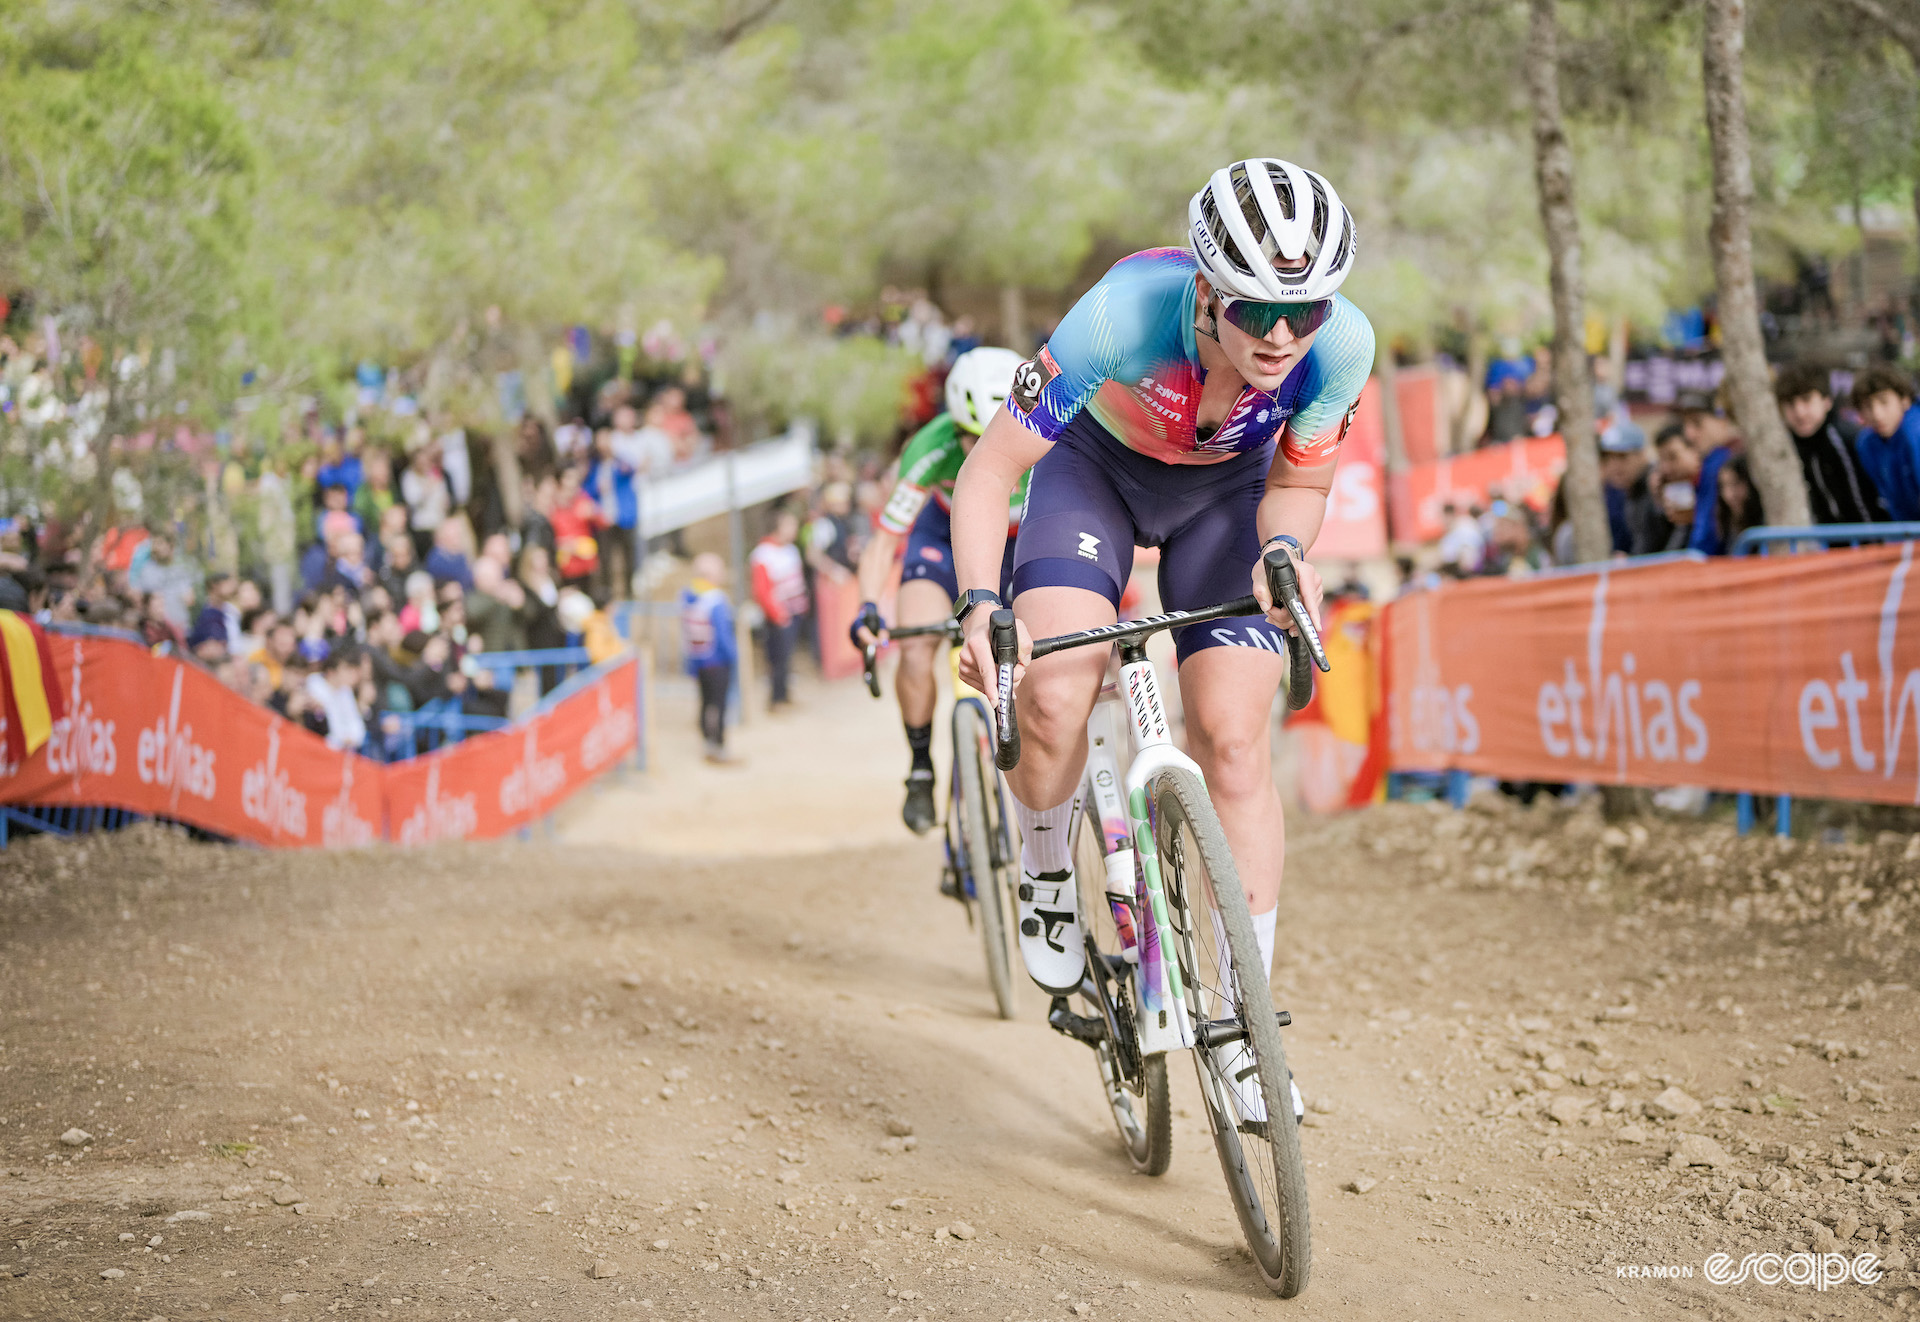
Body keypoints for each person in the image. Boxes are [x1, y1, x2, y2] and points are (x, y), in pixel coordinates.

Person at [951, 158, 1371, 1125]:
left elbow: (1302, 485)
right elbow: (987, 475)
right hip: (1094, 478)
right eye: (1256, 310)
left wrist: (1281, 551)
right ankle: (1048, 861)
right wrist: (980, 603)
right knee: (1053, 694)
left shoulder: (1341, 345)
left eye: (1302, 311)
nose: (1279, 336)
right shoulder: (1119, 317)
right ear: (1206, 289)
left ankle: (1244, 1028)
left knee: (1231, 734)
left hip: (1228, 498)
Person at [850, 346, 1026, 833]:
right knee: (913, 643)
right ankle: (921, 767)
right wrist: (867, 606)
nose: (982, 448)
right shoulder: (929, 447)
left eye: (992, 433)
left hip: (1019, 539)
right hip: (943, 536)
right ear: (954, 427)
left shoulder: (1046, 436)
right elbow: (884, 540)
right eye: (971, 438)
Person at [1774, 362, 1886, 526]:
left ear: (1827, 401)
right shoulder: (1792, 445)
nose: (1800, 412)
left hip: (1870, 540)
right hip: (1833, 543)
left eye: (1806, 400)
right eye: (1790, 403)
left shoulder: (1845, 438)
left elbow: (1860, 501)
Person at [679, 552, 739, 764]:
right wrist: (732, 656)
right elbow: (723, 635)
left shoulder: (688, 596)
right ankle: (719, 746)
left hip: (698, 660)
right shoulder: (716, 600)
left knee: (705, 703)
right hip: (717, 661)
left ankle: (707, 742)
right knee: (720, 705)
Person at [750, 507, 809, 709]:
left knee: (788, 656)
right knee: (777, 658)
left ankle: (784, 695)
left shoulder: (791, 550)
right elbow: (761, 590)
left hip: (794, 611)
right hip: (778, 615)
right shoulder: (763, 554)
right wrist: (777, 613)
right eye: (790, 525)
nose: (794, 529)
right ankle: (775, 699)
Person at [1850, 364, 1920, 522]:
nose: (1877, 414)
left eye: (1884, 402)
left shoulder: (1915, 431)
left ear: (1905, 400)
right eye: (1867, 406)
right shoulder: (1866, 444)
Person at [1672, 391, 1737, 554]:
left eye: (1697, 423)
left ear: (1722, 422)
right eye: (1685, 425)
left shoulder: (1720, 463)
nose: (1689, 434)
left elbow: (1706, 535)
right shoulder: (1707, 464)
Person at [1714, 453, 1762, 552]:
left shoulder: (1765, 526)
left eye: (1735, 484)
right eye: (1724, 486)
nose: (1729, 495)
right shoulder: (1727, 523)